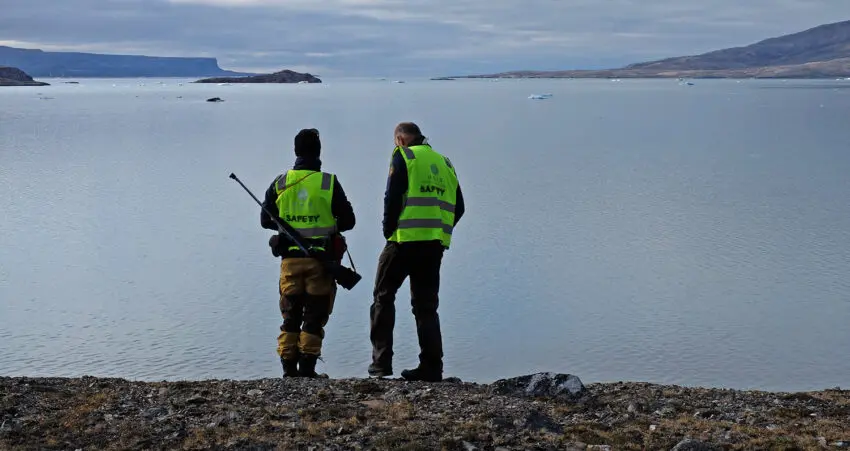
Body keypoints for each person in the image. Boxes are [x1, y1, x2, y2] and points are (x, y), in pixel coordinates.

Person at [368, 122, 465, 382]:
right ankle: (432, 367)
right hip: (433, 245)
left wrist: (389, 230)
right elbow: (460, 206)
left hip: (403, 241)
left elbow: (393, 196)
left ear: (400, 139)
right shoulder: (444, 162)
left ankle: (381, 363)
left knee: (383, 297)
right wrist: (440, 230)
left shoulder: (404, 156)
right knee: (426, 306)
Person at [261, 128, 356, 378]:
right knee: (314, 317)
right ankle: (308, 370)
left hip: (290, 262)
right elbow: (349, 221)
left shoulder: (280, 183)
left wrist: (287, 225)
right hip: (320, 263)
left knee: (290, 316)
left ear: (295, 151)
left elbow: (265, 220)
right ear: (319, 152)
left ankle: (288, 370)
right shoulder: (329, 183)